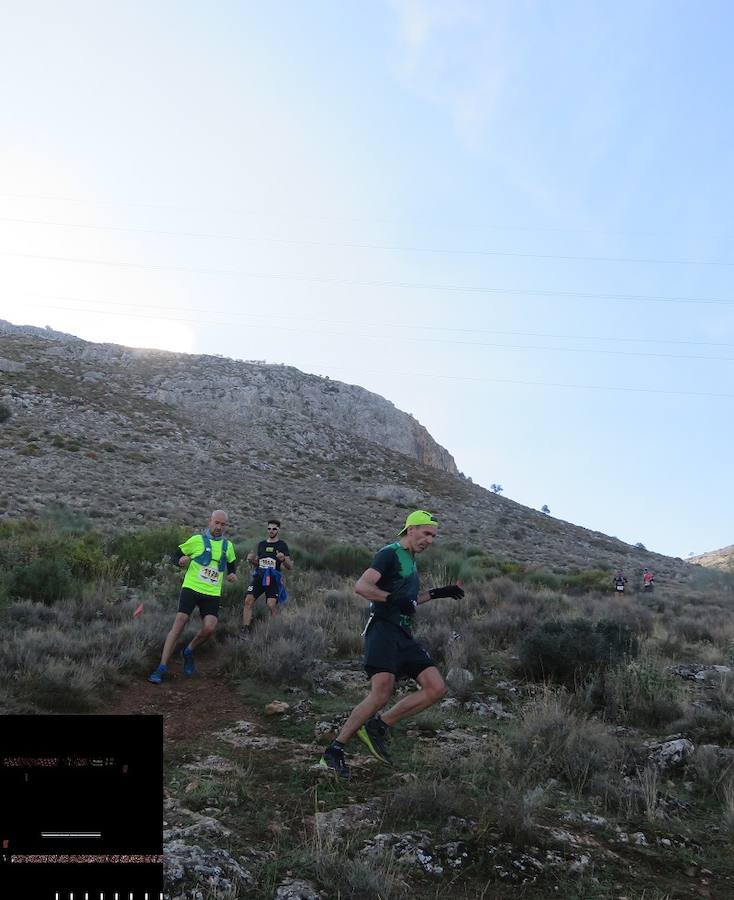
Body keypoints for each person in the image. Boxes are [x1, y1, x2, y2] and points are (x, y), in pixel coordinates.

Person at [318, 509, 464, 778]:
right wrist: (392, 600)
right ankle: (334, 751)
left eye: (433, 536)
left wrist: (439, 592)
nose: (430, 540)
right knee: (381, 692)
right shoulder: (390, 553)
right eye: (426, 533)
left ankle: (379, 726)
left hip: (404, 635)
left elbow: (409, 602)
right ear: (411, 529)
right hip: (383, 630)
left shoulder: (411, 560)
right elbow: (362, 587)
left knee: (436, 688)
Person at [148, 510, 237, 683]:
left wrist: (232, 574)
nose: (219, 527)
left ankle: (188, 650)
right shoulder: (196, 540)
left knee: (210, 628)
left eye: (222, 524)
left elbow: (232, 565)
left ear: (226, 526)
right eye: (216, 523)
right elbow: (177, 554)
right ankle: (161, 667)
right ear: (210, 522)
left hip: (211, 593)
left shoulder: (228, 546)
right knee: (180, 621)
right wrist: (180, 560)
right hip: (191, 587)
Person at [240, 518, 293, 639]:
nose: (271, 531)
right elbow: (258, 563)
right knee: (248, 600)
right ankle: (245, 630)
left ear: (278, 530)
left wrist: (283, 559)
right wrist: (252, 560)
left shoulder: (282, 545)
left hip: (273, 578)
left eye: (274, 529)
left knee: (270, 605)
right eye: (269, 528)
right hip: (260, 576)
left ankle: (276, 628)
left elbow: (289, 566)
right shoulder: (262, 544)